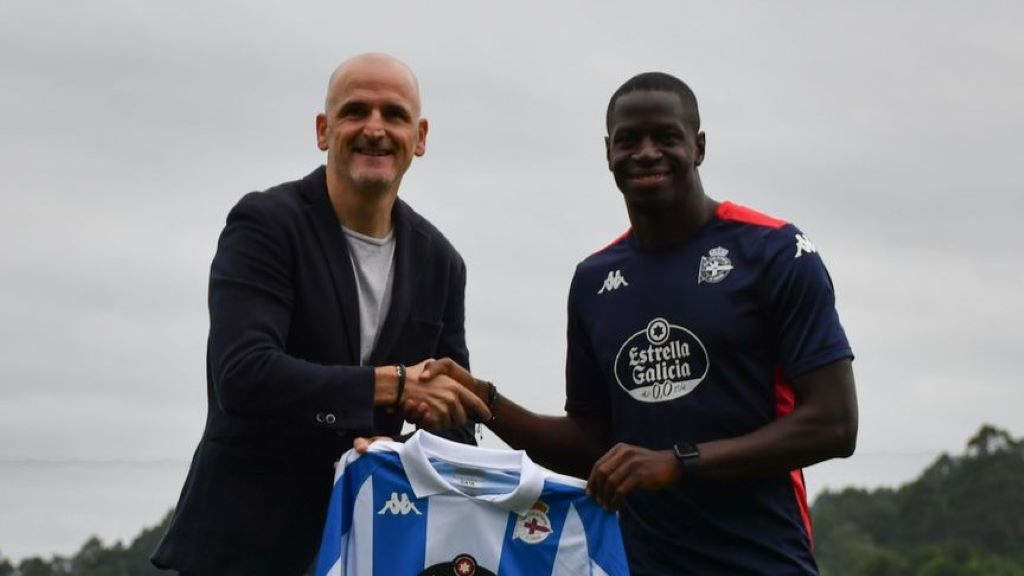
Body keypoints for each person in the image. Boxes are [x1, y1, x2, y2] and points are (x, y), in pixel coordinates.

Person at [417, 72, 858, 575]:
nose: (646, 153)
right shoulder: (594, 280)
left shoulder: (774, 250)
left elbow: (834, 425)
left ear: (699, 147)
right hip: (638, 564)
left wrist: (678, 462)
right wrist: (486, 400)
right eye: (629, 140)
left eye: (666, 137)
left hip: (764, 560)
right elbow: (592, 445)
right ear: (608, 153)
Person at [152, 53, 490, 576]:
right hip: (245, 550)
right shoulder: (264, 225)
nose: (375, 129)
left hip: (376, 550)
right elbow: (243, 375)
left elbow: (456, 425)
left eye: (394, 115)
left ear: (419, 138)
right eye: (356, 111)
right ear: (323, 130)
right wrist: (393, 386)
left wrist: (398, 450)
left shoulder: (441, 262)